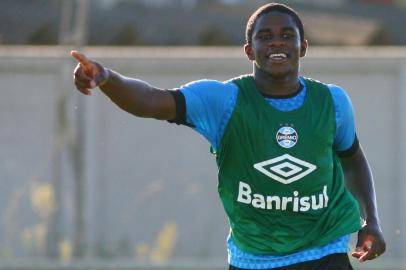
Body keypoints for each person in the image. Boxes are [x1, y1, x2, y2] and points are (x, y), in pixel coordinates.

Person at [71, 3, 386, 269]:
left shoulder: (332, 102)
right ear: (250, 50)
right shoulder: (223, 101)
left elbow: (352, 159)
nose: (277, 43)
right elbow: (151, 101)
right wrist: (107, 78)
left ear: (303, 46)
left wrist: (370, 221)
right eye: (265, 37)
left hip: (324, 250)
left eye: (287, 36)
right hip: (254, 257)